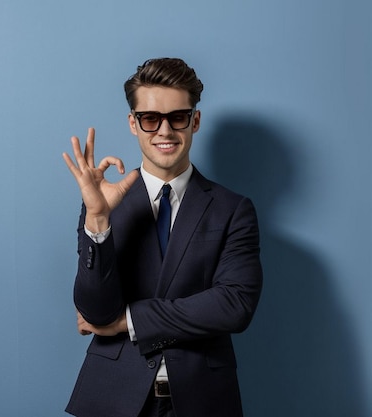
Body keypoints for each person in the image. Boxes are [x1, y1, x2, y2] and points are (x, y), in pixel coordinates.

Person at [62, 58, 263, 417]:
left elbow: (233, 306)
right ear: (133, 124)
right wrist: (97, 217)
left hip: (203, 399)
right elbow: (94, 311)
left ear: (195, 121)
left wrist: (128, 321)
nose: (164, 131)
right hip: (113, 396)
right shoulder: (104, 205)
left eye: (178, 117)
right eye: (151, 119)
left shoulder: (233, 209)